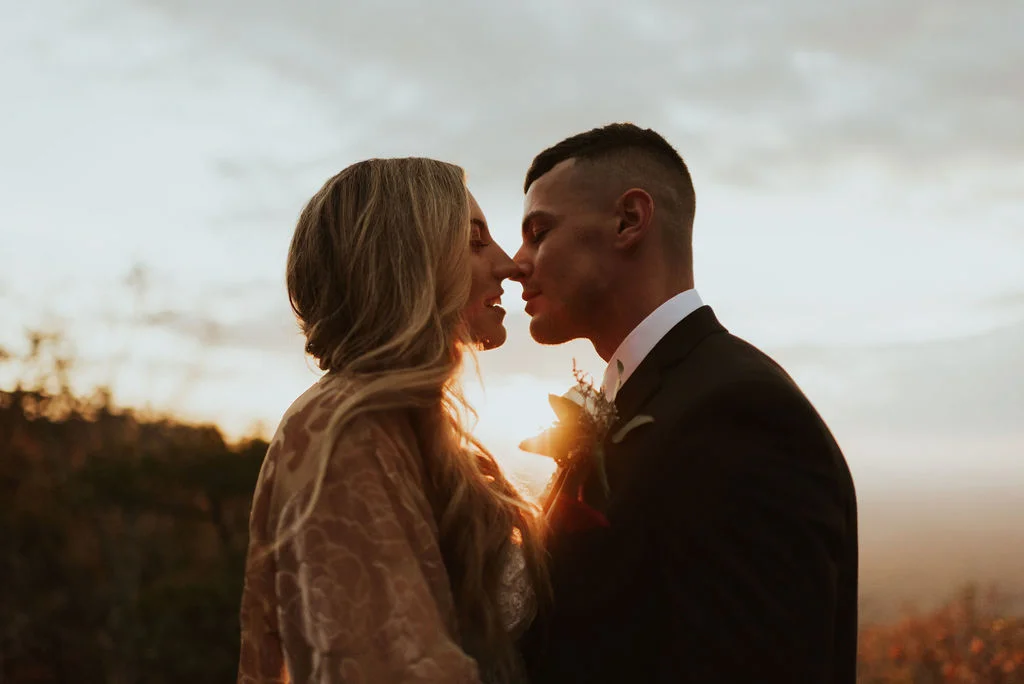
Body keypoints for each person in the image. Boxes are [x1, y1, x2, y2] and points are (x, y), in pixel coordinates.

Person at [513, 124, 859, 683]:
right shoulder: (661, 394)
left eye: (539, 231)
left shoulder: (739, 413)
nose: (517, 262)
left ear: (629, 220)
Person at [236, 158, 546, 684]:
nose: (509, 265)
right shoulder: (347, 430)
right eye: (475, 242)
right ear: (411, 263)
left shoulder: (405, 426)